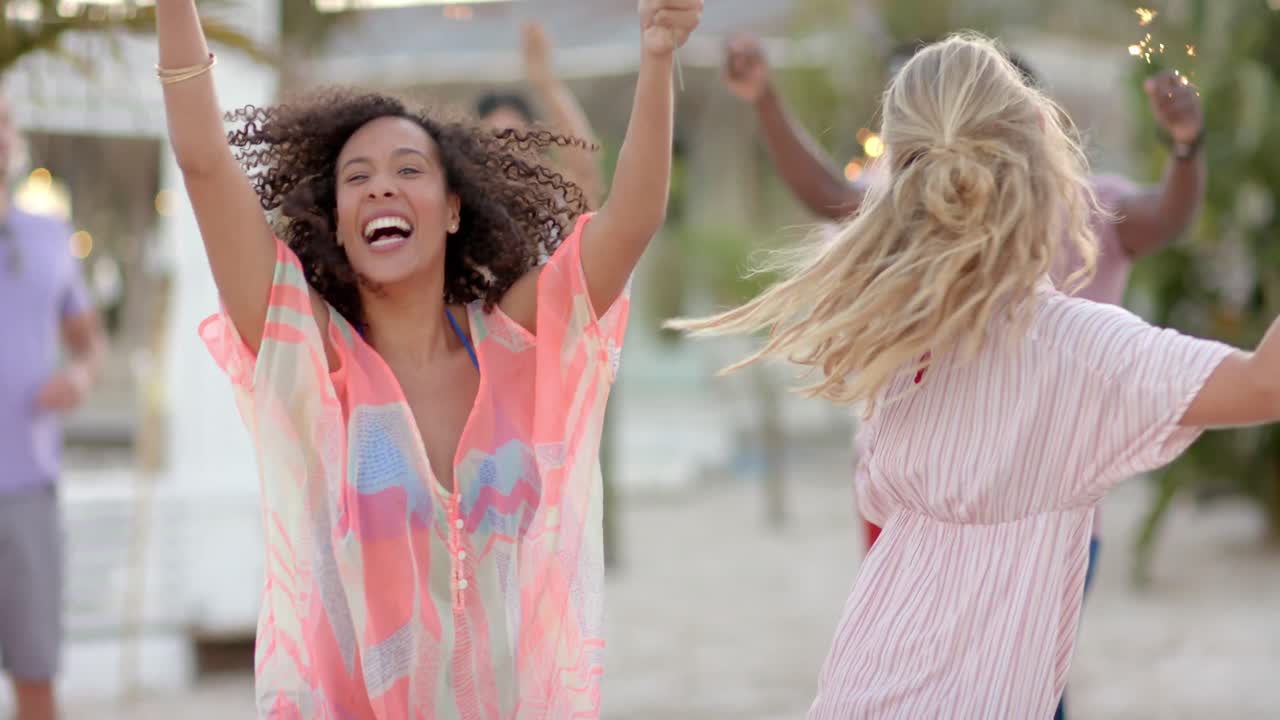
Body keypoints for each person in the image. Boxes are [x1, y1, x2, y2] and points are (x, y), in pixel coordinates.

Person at [671, 34, 1279, 717]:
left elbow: (832, 200)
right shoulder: (1078, 347)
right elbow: (1267, 384)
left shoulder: (899, 325)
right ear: (1043, 157)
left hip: (861, 692)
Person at [154, 0, 701, 715]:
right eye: (358, 178)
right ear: (339, 229)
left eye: (409, 168)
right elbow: (201, 164)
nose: (382, 185)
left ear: (450, 209)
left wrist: (657, 58)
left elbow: (630, 219)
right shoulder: (318, 366)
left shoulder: (514, 344)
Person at [0, 92, 106, 720]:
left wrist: (83, 376)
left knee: (36, 681)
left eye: (5, 121)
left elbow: (90, 343)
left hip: (28, 494)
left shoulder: (48, 233)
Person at [476, 21, 607, 208]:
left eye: (515, 136)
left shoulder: (555, 205)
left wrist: (545, 81)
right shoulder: (469, 208)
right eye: (494, 137)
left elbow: (585, 171)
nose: (506, 146)